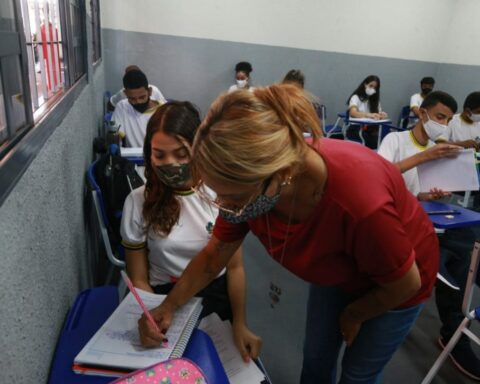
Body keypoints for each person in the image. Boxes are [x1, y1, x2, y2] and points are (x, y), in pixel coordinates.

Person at [138, 84, 439, 384]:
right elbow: (214, 254)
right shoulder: (253, 185)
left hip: (398, 279)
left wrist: (355, 314)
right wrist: (168, 306)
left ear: (282, 175)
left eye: (233, 198)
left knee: (358, 373)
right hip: (340, 268)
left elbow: (405, 282)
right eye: (219, 195)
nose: (226, 208)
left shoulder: (359, 201)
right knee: (316, 359)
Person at [120, 101, 261, 362]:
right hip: (162, 299)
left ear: (197, 149)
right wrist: (151, 317)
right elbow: (139, 278)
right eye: (159, 155)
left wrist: (240, 323)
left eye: (180, 154)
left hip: (214, 298)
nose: (169, 163)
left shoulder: (221, 195)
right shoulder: (137, 202)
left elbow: (234, 268)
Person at [378, 91, 480, 381]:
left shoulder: (439, 148)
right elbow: (380, 176)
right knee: (441, 260)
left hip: (426, 218)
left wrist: (432, 193)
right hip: (396, 222)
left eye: (447, 119)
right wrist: (425, 156)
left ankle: (454, 327)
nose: (443, 124)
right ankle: (449, 325)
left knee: (467, 245)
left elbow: (417, 194)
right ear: (421, 114)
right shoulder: (394, 141)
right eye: (439, 117)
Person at [112, 69, 163, 147]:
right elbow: (115, 134)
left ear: (149, 91)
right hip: (133, 158)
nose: (138, 102)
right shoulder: (122, 107)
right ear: (125, 94)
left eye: (142, 97)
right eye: (132, 98)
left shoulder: (164, 111)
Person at [347, 75, 388, 149]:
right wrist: (368, 115)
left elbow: (377, 114)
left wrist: (381, 115)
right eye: (370, 86)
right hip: (356, 128)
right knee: (374, 141)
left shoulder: (375, 101)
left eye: (375, 88)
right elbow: (352, 113)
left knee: (386, 136)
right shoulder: (356, 97)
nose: (372, 89)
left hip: (371, 128)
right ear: (365, 84)